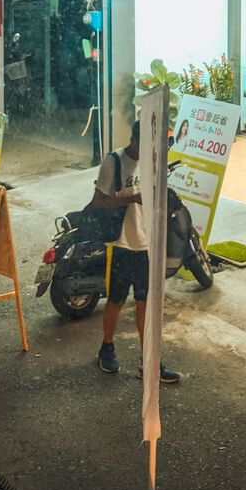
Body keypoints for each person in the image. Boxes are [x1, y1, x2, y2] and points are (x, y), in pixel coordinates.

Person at [92, 120, 180, 384]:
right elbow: (98, 201)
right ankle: (106, 347)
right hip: (121, 243)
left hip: (146, 244)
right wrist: (133, 198)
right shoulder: (114, 162)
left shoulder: (155, 162)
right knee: (116, 301)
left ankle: (149, 360)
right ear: (136, 141)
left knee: (145, 303)